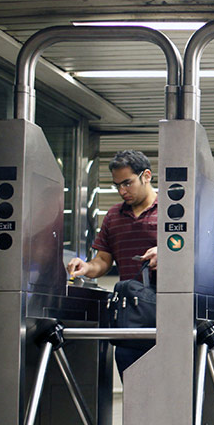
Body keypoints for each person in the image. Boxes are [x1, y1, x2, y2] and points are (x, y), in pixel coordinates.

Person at [67, 149, 158, 375]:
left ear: (146, 176)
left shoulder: (173, 212)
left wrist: (169, 254)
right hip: (130, 317)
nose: (122, 191)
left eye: (127, 183)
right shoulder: (113, 216)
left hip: (168, 314)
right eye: (117, 185)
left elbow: (192, 254)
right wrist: (86, 267)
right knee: (133, 384)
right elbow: (103, 260)